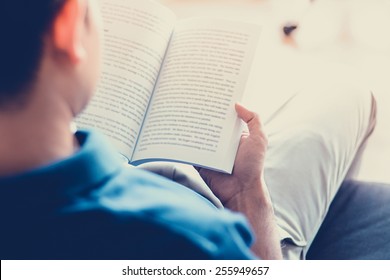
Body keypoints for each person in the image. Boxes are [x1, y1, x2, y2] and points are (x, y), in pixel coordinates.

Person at [0, 0, 376, 260]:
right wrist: (248, 193)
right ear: (67, 26)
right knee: (347, 93)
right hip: (219, 211)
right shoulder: (199, 241)